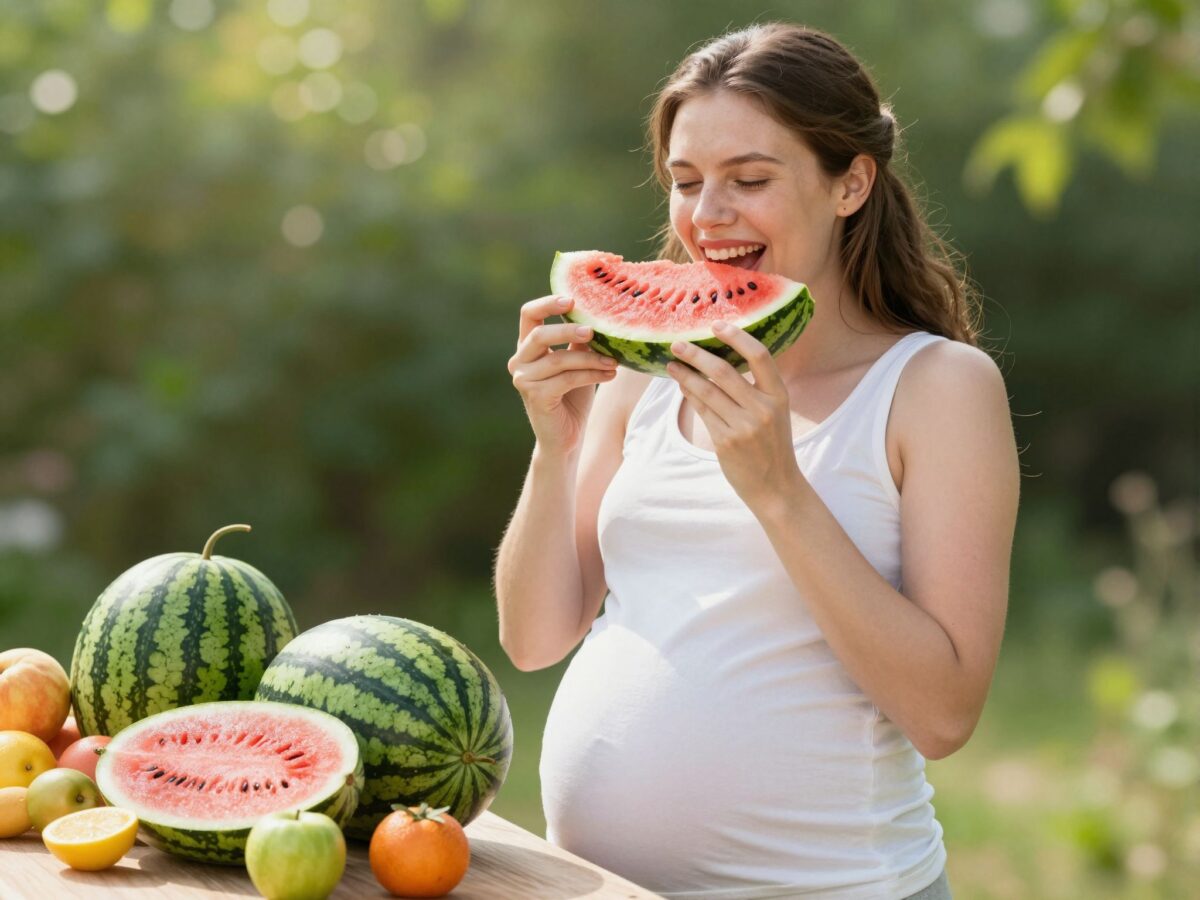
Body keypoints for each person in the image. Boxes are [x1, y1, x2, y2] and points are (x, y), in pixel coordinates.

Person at [495, 22, 1019, 900]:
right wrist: (557, 447)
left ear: (850, 182)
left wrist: (779, 491)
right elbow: (534, 637)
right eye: (686, 182)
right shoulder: (645, 379)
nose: (707, 217)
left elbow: (943, 715)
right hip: (597, 887)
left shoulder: (936, 388)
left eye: (750, 179)